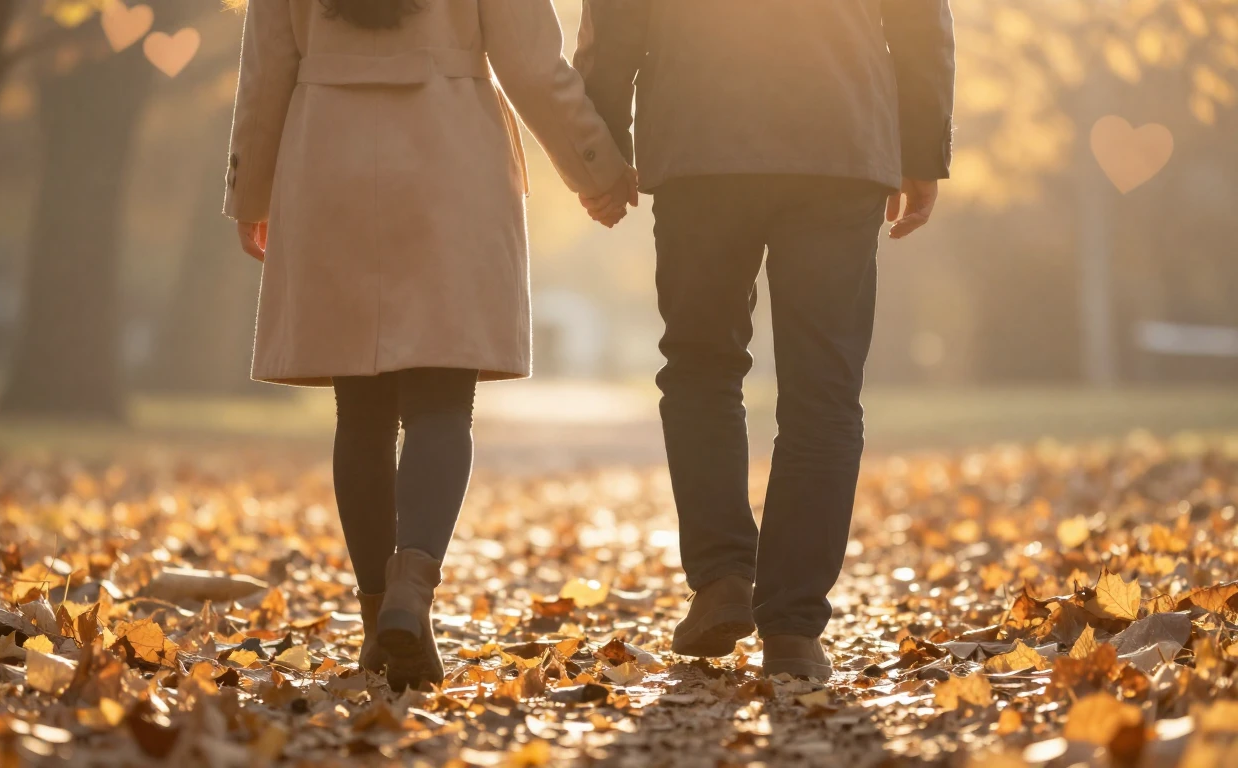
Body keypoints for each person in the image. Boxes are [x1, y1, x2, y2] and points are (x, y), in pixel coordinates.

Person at [223, 0, 636, 691]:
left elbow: (267, 63)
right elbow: (533, 63)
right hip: (452, 157)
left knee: (360, 414)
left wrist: (251, 189)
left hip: (329, 154)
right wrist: (596, 165)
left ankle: (377, 619)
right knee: (442, 405)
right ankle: (411, 592)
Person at [575, 0, 956, 679]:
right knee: (825, 392)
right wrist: (921, 146)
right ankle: (793, 628)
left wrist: (601, 146)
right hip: (838, 136)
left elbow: (618, 15)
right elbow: (919, 14)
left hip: (701, 137)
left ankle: (721, 578)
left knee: (700, 367)